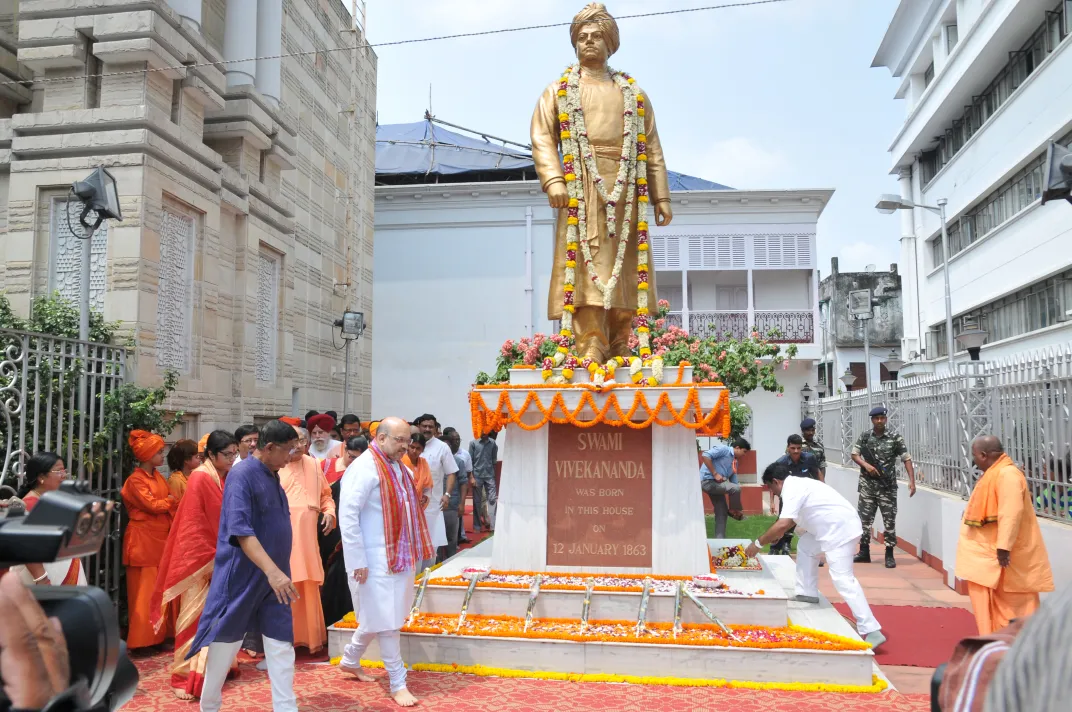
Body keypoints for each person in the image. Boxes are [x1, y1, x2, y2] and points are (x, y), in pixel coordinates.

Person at [531, 2, 672, 363]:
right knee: (584, 268)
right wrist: (554, 180)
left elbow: (651, 147)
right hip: (581, 193)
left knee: (626, 268)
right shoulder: (559, 91)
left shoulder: (634, 95)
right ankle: (590, 341)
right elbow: (543, 137)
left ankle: (623, 340)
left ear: (610, 44)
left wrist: (661, 198)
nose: (589, 42)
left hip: (626, 192)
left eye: (596, 36)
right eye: (582, 37)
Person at [187, 420, 301, 712]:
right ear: (270, 447)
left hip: (274, 577)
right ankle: (209, 704)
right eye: (287, 450)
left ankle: (286, 708)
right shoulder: (242, 474)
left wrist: (277, 572)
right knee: (226, 643)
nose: (292, 457)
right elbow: (241, 532)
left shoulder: (272, 472)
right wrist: (273, 572)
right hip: (242, 576)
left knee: (281, 645)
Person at [338, 417, 434, 708]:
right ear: (380, 438)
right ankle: (397, 682)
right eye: (399, 440)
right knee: (388, 621)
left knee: (380, 614)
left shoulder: (399, 467)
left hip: (399, 556)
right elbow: (348, 516)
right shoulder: (364, 468)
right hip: (373, 558)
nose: (405, 446)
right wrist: (357, 559)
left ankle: (350, 659)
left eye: (407, 440)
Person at [746, 462, 886, 650]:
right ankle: (806, 592)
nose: (772, 493)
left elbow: (783, 524)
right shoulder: (796, 485)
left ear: (776, 482)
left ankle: (871, 629)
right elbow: (789, 524)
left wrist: (758, 544)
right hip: (828, 529)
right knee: (805, 546)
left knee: (842, 578)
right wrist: (775, 536)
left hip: (840, 530)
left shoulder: (792, 489)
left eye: (770, 488)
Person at [150, 431, 240, 700]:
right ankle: (183, 675)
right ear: (211, 455)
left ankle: (219, 667)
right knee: (193, 619)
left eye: (235, 453)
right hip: (200, 560)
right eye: (228, 454)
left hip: (218, 555)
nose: (233, 458)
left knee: (219, 618)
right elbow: (202, 523)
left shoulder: (221, 476)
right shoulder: (202, 477)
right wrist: (216, 556)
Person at [954, 436, 1054, 635]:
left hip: (1005, 562)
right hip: (990, 563)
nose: (974, 461)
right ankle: (996, 647)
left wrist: (1003, 548)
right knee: (994, 614)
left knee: (1015, 613)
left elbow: (1011, 513)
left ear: (983, 455)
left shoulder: (1007, 475)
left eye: (974, 456)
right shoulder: (994, 473)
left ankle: (1014, 654)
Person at [279, 426, 336, 656]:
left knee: (309, 583)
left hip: (308, 537)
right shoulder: (275, 466)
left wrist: (330, 512)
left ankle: (310, 637)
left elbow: (326, 495)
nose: (299, 445)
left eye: (303, 440)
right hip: (283, 536)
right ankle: (282, 640)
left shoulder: (314, 464)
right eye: (295, 441)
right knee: (286, 582)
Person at [122, 430, 178, 650]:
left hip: (159, 538)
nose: (162, 456)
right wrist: (170, 501)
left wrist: (167, 501)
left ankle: (158, 637)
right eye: (159, 452)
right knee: (144, 593)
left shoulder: (156, 476)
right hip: (142, 541)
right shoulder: (135, 480)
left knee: (158, 591)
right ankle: (142, 641)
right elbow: (153, 505)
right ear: (146, 455)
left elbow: (161, 503)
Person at [850, 405, 916, 568]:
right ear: (872, 420)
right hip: (868, 486)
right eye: (876, 418)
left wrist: (912, 481)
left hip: (887, 487)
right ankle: (864, 552)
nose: (879, 421)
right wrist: (866, 466)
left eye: (882, 418)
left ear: (886, 419)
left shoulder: (894, 437)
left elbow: (906, 458)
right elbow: (854, 454)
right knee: (864, 521)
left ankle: (889, 554)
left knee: (889, 520)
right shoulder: (865, 437)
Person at [15, 453, 85, 586]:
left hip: (64, 572)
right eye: (59, 471)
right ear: (41, 477)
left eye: (64, 470)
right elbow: (26, 546)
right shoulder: (30, 504)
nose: (64, 475)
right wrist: (41, 577)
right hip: (46, 579)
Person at [320, 436, 369, 628]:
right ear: (344, 451)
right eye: (351, 457)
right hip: (328, 530)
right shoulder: (325, 466)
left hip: (352, 532)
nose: (354, 462)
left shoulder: (366, 473)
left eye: (359, 458)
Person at [413, 414, 457, 571]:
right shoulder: (411, 444)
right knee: (413, 548)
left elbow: (452, 472)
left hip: (432, 507)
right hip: (411, 508)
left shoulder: (442, 447)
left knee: (431, 551)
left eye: (430, 426)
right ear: (419, 426)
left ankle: (425, 582)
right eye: (424, 426)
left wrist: (447, 494)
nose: (427, 429)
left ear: (435, 428)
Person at [769, 434, 822, 555]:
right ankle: (775, 547)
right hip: (788, 496)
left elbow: (817, 474)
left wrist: (822, 490)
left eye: (799, 448)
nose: (796, 451)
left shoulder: (809, 458)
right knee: (783, 520)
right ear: (788, 448)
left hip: (806, 497)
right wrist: (772, 502)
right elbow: (773, 482)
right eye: (793, 448)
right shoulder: (781, 462)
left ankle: (808, 551)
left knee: (809, 521)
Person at [698, 438, 747, 539]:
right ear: (737, 448)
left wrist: (735, 494)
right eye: (744, 451)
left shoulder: (735, 462)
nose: (744, 455)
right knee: (735, 489)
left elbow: (734, 482)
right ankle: (734, 511)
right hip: (707, 481)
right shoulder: (724, 449)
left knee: (722, 512)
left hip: (717, 486)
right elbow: (706, 455)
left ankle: (720, 543)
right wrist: (715, 473)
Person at [440, 427, 466, 560]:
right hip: (436, 506)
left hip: (452, 505)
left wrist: (462, 504)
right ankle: (436, 567)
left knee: (451, 539)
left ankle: (450, 563)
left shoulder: (459, 462)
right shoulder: (432, 461)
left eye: (448, 446)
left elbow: (463, 483)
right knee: (437, 540)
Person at [468, 430, 498, 533]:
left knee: (493, 499)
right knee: (477, 501)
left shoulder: (493, 443)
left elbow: (494, 459)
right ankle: (477, 526)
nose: (483, 432)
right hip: (477, 475)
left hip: (489, 475)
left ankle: (493, 525)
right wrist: (471, 477)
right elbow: (470, 461)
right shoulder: (473, 443)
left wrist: (492, 472)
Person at [451, 428, 474, 544]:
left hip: (459, 487)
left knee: (459, 513)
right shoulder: (445, 454)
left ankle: (460, 536)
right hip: (447, 490)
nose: (456, 442)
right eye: (454, 439)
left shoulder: (465, 454)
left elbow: (469, 470)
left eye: (458, 439)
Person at [402, 434, 433, 511]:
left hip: (419, 505)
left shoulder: (424, 463)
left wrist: (425, 497)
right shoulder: (400, 462)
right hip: (403, 504)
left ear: (422, 450)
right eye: (412, 447)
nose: (414, 451)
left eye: (418, 448)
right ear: (408, 446)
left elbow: (427, 487)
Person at [166, 439, 201, 504]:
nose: (200, 459)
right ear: (186, 460)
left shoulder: (195, 474)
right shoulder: (175, 481)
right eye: (197, 457)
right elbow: (175, 506)